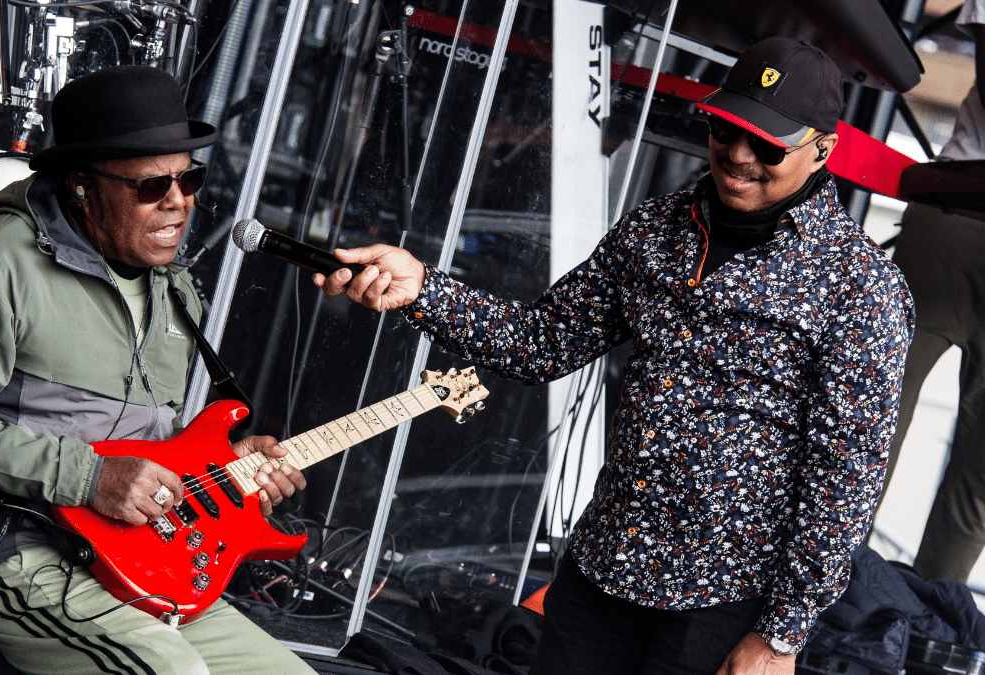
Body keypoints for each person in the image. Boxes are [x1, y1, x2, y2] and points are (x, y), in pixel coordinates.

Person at [316, 37, 914, 675]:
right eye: (726, 130)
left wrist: (780, 636)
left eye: (768, 145)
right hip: (605, 572)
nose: (738, 157)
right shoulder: (655, 229)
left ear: (823, 148)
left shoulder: (860, 287)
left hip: (722, 604)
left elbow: (844, 482)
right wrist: (423, 289)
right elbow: (540, 342)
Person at [0, 66, 314, 675]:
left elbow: (147, 452)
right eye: (152, 188)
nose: (179, 203)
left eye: (190, 179)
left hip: (130, 561)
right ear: (82, 187)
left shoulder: (176, 291)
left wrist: (229, 474)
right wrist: (90, 477)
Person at [885, 0, 985, 584]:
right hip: (961, 213)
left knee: (979, 477)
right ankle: (817, 605)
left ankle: (921, 631)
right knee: (873, 416)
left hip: (956, 216)